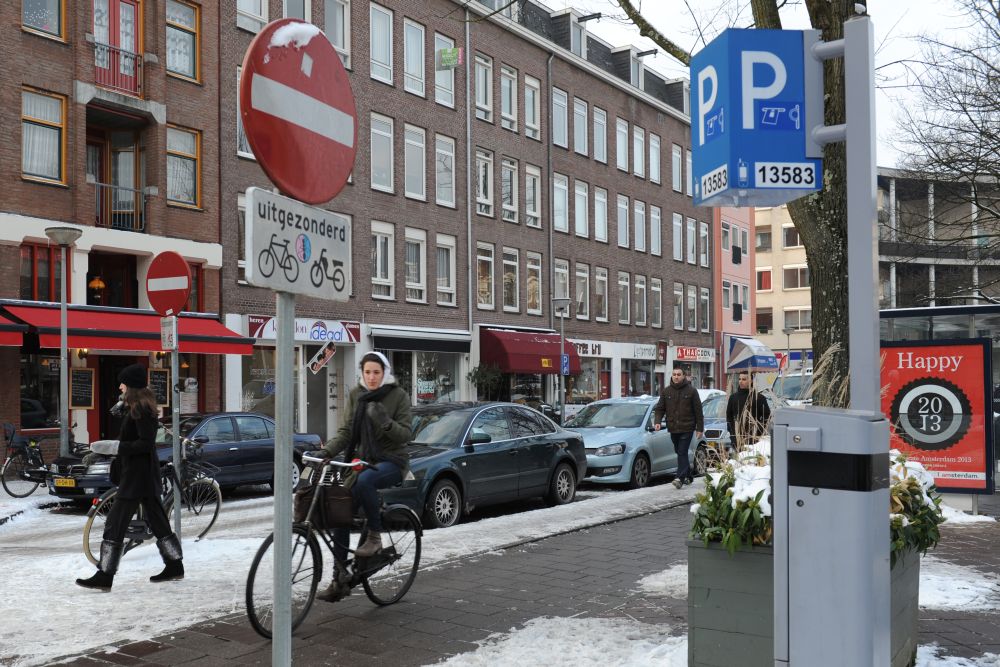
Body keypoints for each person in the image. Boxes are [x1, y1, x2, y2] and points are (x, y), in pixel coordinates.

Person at [76, 364, 184, 591]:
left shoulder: (142, 409)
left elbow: (145, 444)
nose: (119, 386)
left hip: (137, 477)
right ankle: (174, 565)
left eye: (123, 383)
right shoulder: (135, 407)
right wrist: (101, 451)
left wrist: (113, 447)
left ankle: (105, 574)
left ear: (131, 386)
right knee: (158, 521)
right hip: (141, 475)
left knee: (115, 523)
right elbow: (133, 439)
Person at [316, 351, 412, 602]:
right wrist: (327, 451)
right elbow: (347, 431)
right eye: (367, 372)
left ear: (385, 373)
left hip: (392, 461)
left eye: (376, 372)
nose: (371, 377)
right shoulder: (355, 395)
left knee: (367, 481)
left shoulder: (398, 396)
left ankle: (374, 537)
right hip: (362, 461)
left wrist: (385, 422)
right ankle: (340, 578)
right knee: (340, 514)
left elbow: (406, 435)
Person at [653, 366, 704, 489]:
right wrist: (657, 421)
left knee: (681, 451)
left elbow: (698, 411)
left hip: (687, 427)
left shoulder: (691, 391)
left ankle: (679, 478)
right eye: (674, 374)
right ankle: (688, 475)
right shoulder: (666, 391)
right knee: (679, 452)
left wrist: (699, 428)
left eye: (679, 374)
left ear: (683, 376)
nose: (676, 376)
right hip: (673, 427)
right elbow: (660, 408)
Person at [726, 371, 772, 451]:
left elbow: (767, 416)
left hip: (753, 437)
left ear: (751, 381)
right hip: (736, 437)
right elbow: (729, 416)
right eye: (739, 379)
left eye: (744, 379)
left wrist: (759, 430)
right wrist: (732, 432)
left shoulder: (759, 397)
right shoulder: (733, 397)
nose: (741, 381)